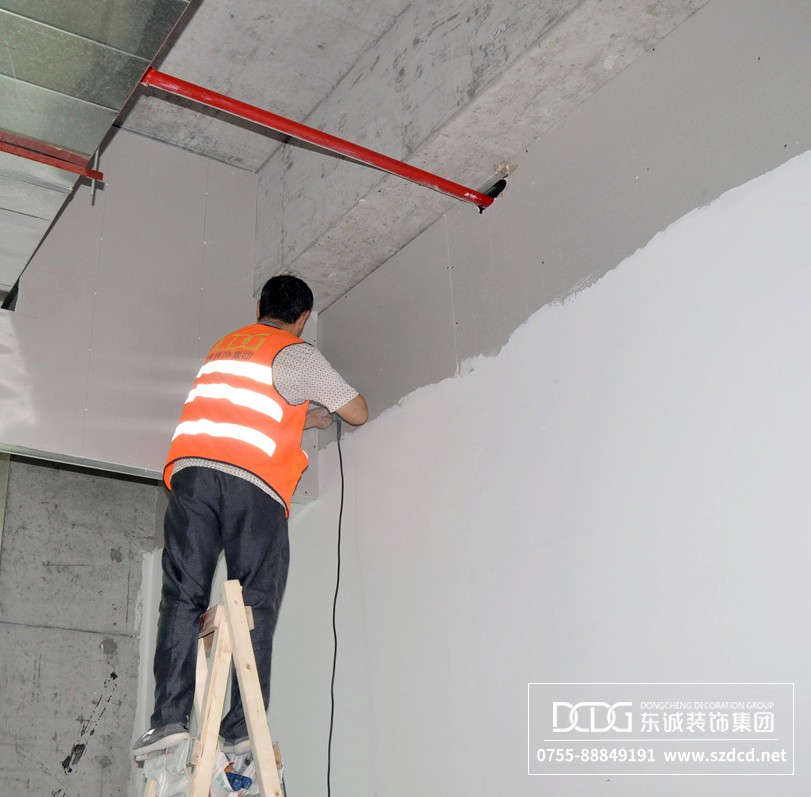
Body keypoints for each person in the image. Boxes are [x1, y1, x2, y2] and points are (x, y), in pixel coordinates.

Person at [133, 275, 368, 757]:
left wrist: (303, 418)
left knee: (182, 597)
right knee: (255, 605)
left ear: (260, 306)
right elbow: (357, 411)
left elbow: (243, 413)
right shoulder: (296, 354)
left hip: (193, 479)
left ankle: (169, 720)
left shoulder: (227, 347)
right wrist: (326, 407)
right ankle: (240, 728)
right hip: (252, 487)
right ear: (303, 318)